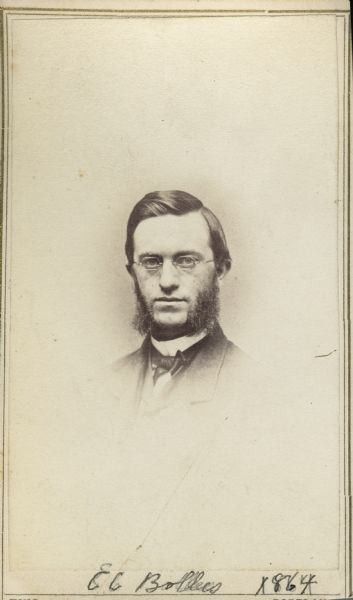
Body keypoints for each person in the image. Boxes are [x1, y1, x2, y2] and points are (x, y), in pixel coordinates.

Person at [113, 189, 249, 415]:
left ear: (220, 271)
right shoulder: (101, 384)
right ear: (132, 274)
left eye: (186, 261)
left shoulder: (254, 385)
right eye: (151, 262)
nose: (167, 282)